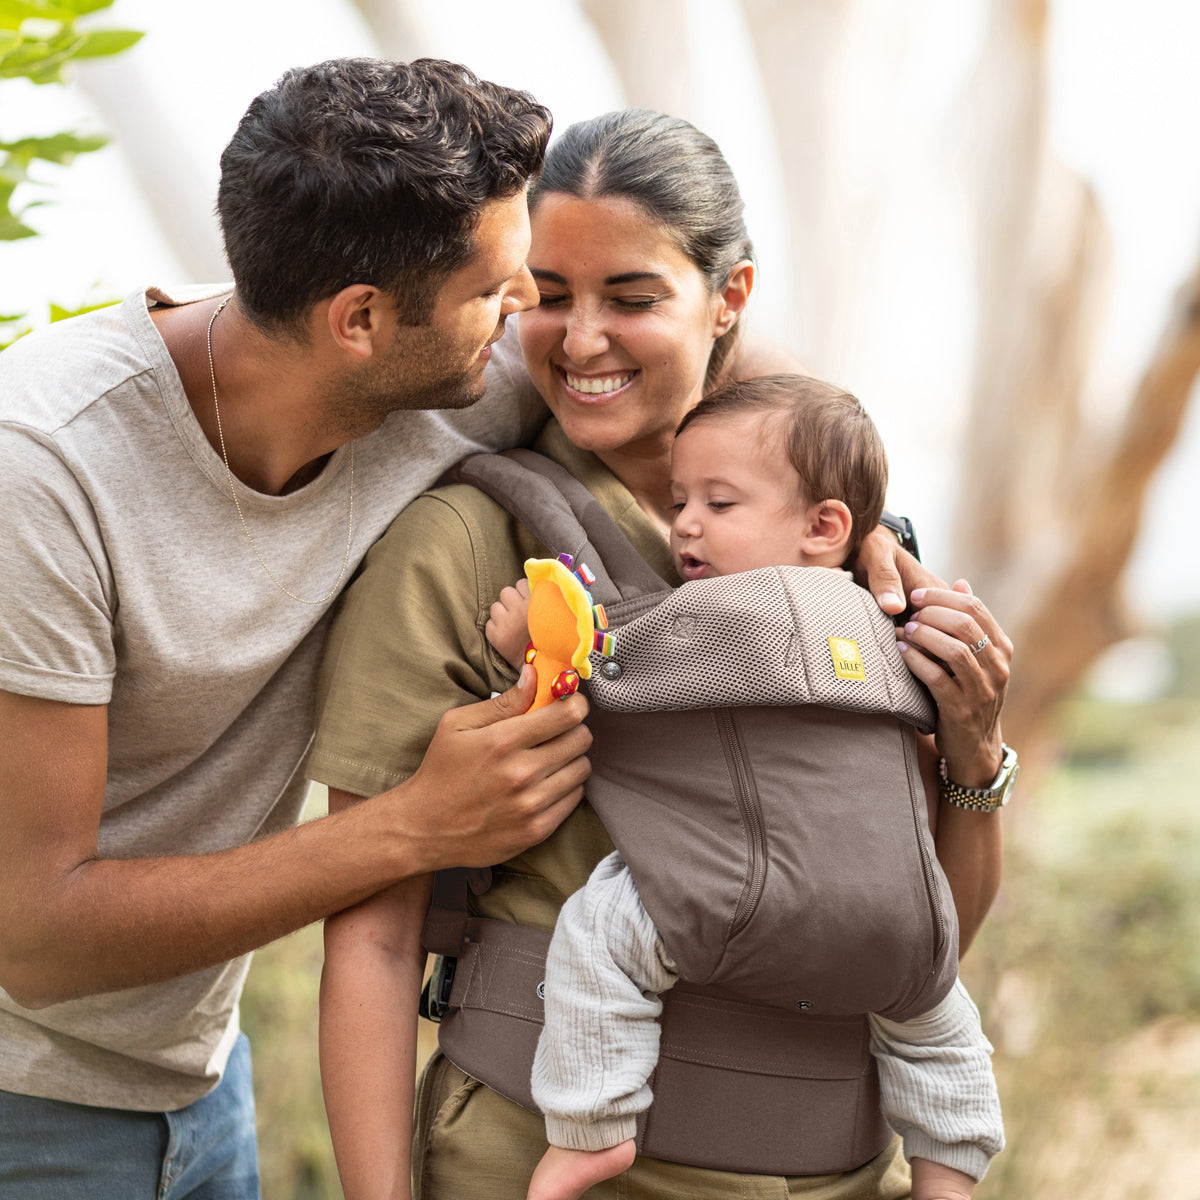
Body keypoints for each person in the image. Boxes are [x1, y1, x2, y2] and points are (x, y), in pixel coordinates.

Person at [313, 108, 1013, 1200]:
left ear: (730, 297)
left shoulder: (851, 559)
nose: (581, 338)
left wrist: (974, 760)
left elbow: (919, 931)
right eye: (548, 295)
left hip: (834, 1173)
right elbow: (371, 939)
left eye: (632, 298)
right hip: (542, 1162)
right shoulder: (463, 544)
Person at [0, 58, 599, 1199]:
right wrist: (415, 828)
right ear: (360, 320)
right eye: (499, 290)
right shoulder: (45, 467)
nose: (530, 319)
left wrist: (871, 524)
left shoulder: (438, 376)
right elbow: (38, 936)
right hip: (25, 1110)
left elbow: (696, 347)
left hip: (206, 1084)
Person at [483, 376, 1003, 1200]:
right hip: (900, 917)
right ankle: (948, 1168)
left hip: (738, 895)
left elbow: (612, 673)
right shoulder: (889, 621)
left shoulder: (736, 609)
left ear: (825, 526)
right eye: (680, 499)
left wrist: (536, 637)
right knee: (941, 1029)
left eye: (719, 504)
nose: (684, 523)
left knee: (599, 929)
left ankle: (591, 1128)